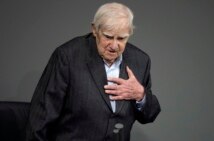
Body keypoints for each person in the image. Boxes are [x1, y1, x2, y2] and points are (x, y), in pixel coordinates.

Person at [26, 2, 161, 141]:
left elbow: (149, 115)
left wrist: (140, 94)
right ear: (95, 30)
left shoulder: (140, 61)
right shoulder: (68, 57)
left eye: (121, 38)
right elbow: (40, 120)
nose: (114, 46)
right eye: (108, 37)